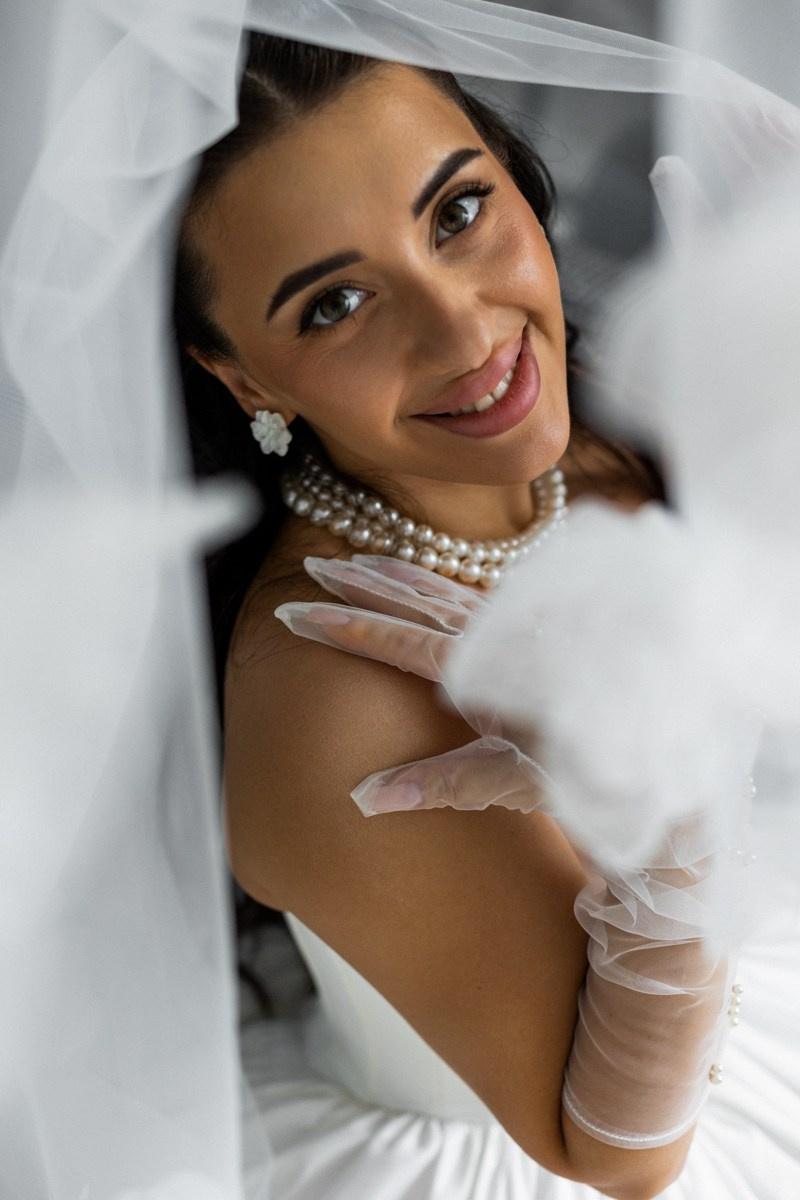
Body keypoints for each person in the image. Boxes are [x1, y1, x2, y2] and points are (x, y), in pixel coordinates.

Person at [174, 32, 800, 1200]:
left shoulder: (601, 433)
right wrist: (671, 832)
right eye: (335, 304)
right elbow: (615, 1157)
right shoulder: (336, 688)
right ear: (243, 378)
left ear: (513, 172)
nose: (464, 333)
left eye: (456, 212)